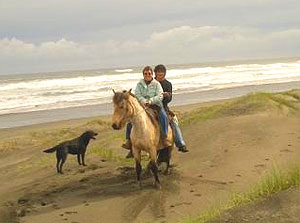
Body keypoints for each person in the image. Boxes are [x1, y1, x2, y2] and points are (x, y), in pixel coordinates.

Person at [123, 66, 171, 158]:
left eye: (149, 73)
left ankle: (164, 138)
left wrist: (151, 101)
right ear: (143, 75)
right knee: (131, 120)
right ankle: (129, 141)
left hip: (155, 106)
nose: (147, 75)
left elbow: (160, 96)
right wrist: (144, 101)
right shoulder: (139, 84)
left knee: (163, 117)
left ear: (152, 74)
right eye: (145, 73)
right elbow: (137, 94)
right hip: (143, 106)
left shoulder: (156, 84)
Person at [154, 64, 188, 153]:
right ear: (155, 74)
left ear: (164, 74)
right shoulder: (151, 83)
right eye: (158, 74)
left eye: (161, 74)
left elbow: (169, 99)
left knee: (173, 121)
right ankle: (130, 143)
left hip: (162, 107)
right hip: (149, 106)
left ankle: (180, 143)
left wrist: (167, 95)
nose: (159, 76)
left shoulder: (167, 84)